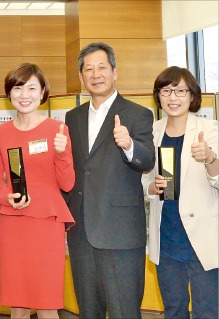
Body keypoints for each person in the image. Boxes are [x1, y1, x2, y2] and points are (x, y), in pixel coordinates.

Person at [64, 42, 155, 318]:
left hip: (120, 234)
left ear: (115, 72)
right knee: (88, 311)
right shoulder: (72, 117)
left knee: (124, 311)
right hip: (81, 234)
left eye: (102, 67)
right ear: (81, 78)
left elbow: (147, 159)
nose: (95, 74)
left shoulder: (138, 113)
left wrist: (129, 146)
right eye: (88, 69)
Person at [0, 63, 75, 319]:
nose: (24, 95)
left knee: (47, 302)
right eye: (18, 88)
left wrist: (62, 154)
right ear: (10, 94)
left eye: (32, 88)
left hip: (46, 223)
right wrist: (6, 198)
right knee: (16, 302)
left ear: (43, 92)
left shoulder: (57, 130)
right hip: (12, 223)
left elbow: (67, 184)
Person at [142, 66, 218, 319]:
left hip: (202, 238)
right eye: (167, 91)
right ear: (158, 95)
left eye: (180, 91)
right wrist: (151, 188)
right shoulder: (151, 131)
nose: (173, 98)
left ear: (192, 95)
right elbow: (143, 178)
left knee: (207, 311)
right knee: (173, 310)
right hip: (167, 238)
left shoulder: (211, 130)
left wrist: (210, 157)